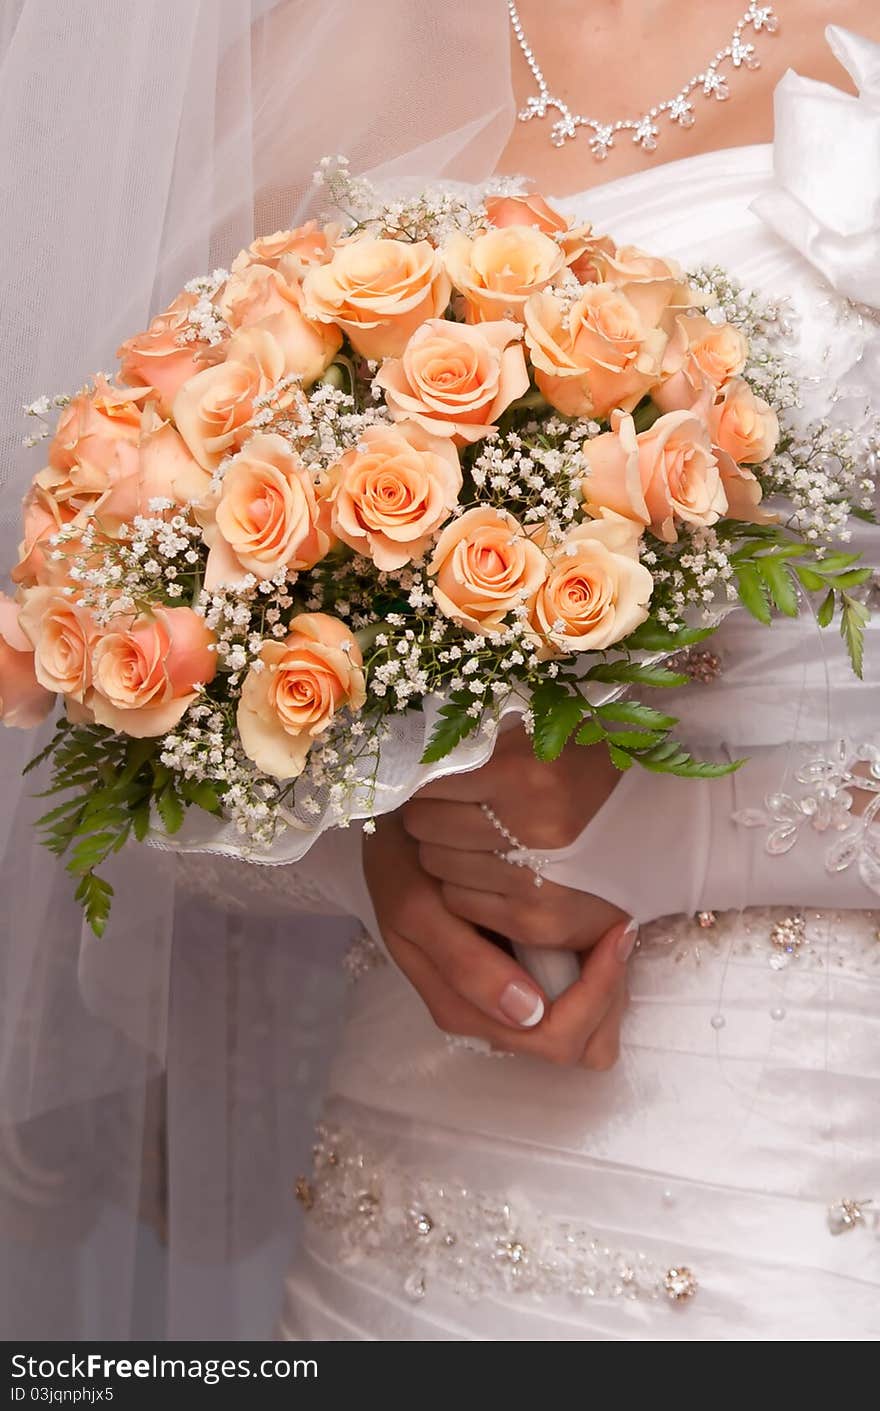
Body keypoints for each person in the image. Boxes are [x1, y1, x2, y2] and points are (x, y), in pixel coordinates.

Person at [0, 1, 878, 1342]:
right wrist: (383, 859)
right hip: (402, 1228)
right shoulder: (327, 45)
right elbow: (140, 740)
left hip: (799, 1204)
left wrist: (678, 827)